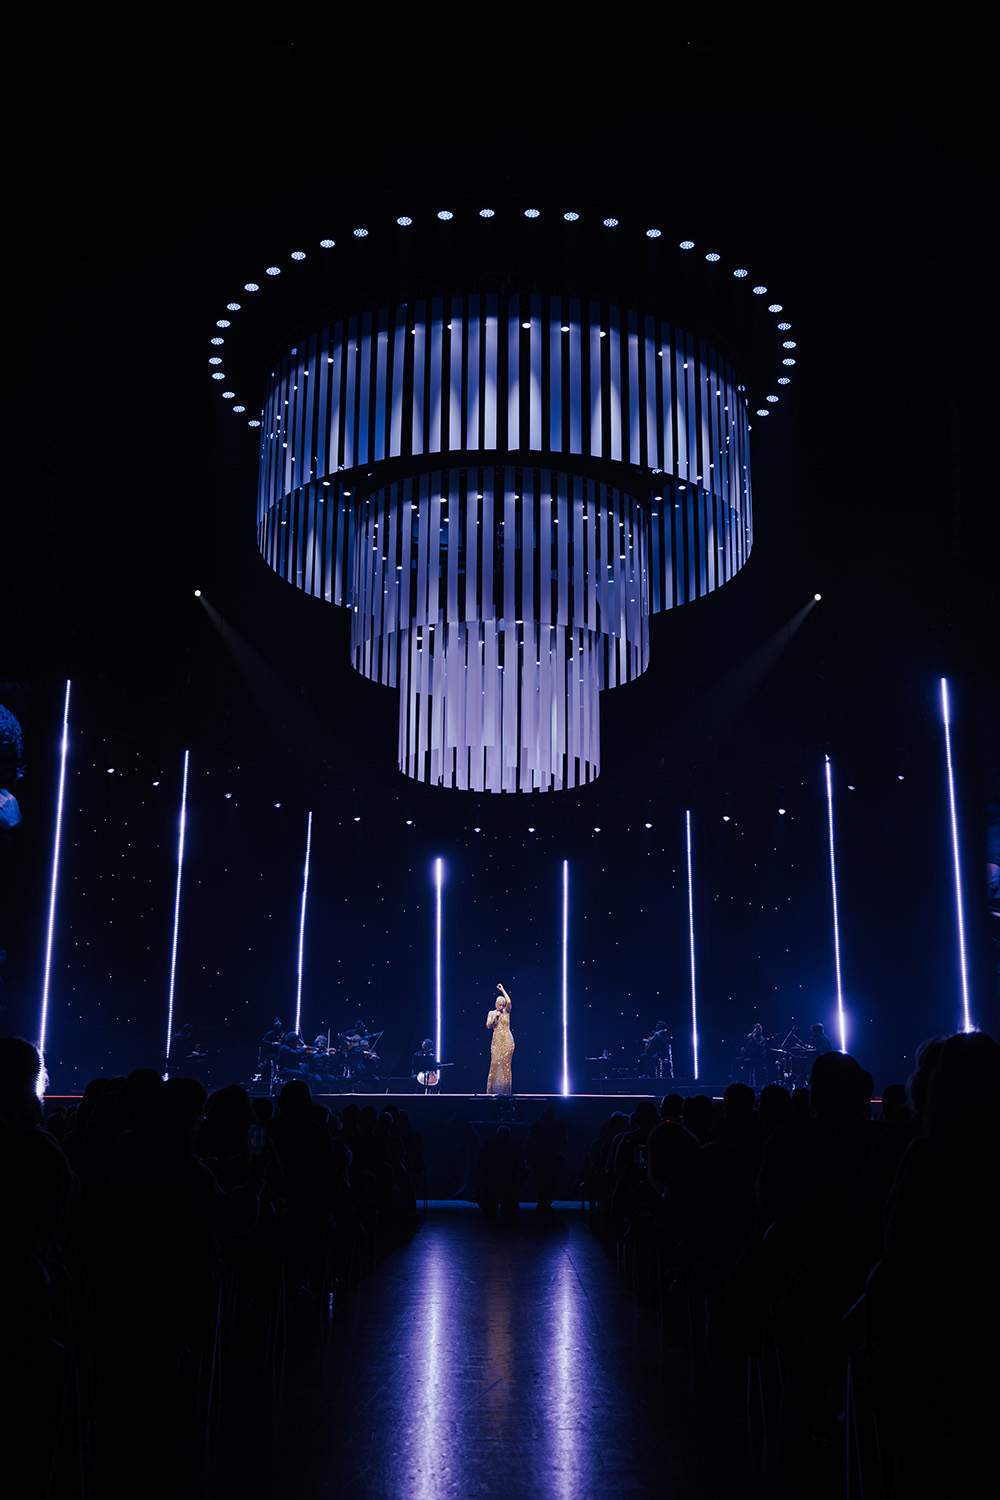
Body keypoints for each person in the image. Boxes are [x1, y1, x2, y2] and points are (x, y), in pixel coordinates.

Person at [486, 983, 515, 1096]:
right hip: (496, 1041)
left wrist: (502, 990)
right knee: (494, 1064)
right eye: (500, 1005)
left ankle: (506, 1093)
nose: (502, 1007)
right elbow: (488, 1026)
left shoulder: (507, 1012)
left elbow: (509, 1002)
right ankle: (492, 1092)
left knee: (505, 1066)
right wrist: (495, 1017)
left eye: (503, 1005)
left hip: (507, 1041)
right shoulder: (491, 1013)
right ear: (496, 1005)